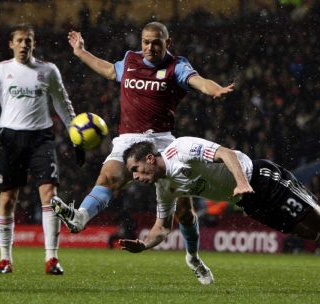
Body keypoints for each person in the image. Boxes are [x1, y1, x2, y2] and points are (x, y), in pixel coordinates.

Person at [51, 21, 233, 284]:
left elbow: (199, 81)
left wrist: (213, 89)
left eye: (156, 42)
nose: (150, 46)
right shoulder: (130, 60)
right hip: (129, 138)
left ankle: (193, 257)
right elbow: (108, 70)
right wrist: (80, 52)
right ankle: (80, 217)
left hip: (162, 142)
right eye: (146, 41)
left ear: (167, 43)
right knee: (108, 178)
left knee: (183, 211)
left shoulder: (176, 66)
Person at [120, 136, 320, 294]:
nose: (134, 177)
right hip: (249, 203)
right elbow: (161, 227)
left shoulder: (181, 149)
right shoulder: (164, 187)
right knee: (308, 233)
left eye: (135, 170)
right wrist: (144, 245)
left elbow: (226, 154)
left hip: (261, 178)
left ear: (149, 159)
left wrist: (242, 181)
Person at [0, 23, 84, 275]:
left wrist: (76, 137)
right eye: (20, 40)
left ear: (34, 44)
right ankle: (5, 259)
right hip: (10, 139)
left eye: (28, 41)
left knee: (50, 196)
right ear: (11, 44)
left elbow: (64, 106)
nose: (24, 45)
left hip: (41, 139)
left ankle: (52, 259)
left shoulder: (48, 70)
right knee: (7, 199)